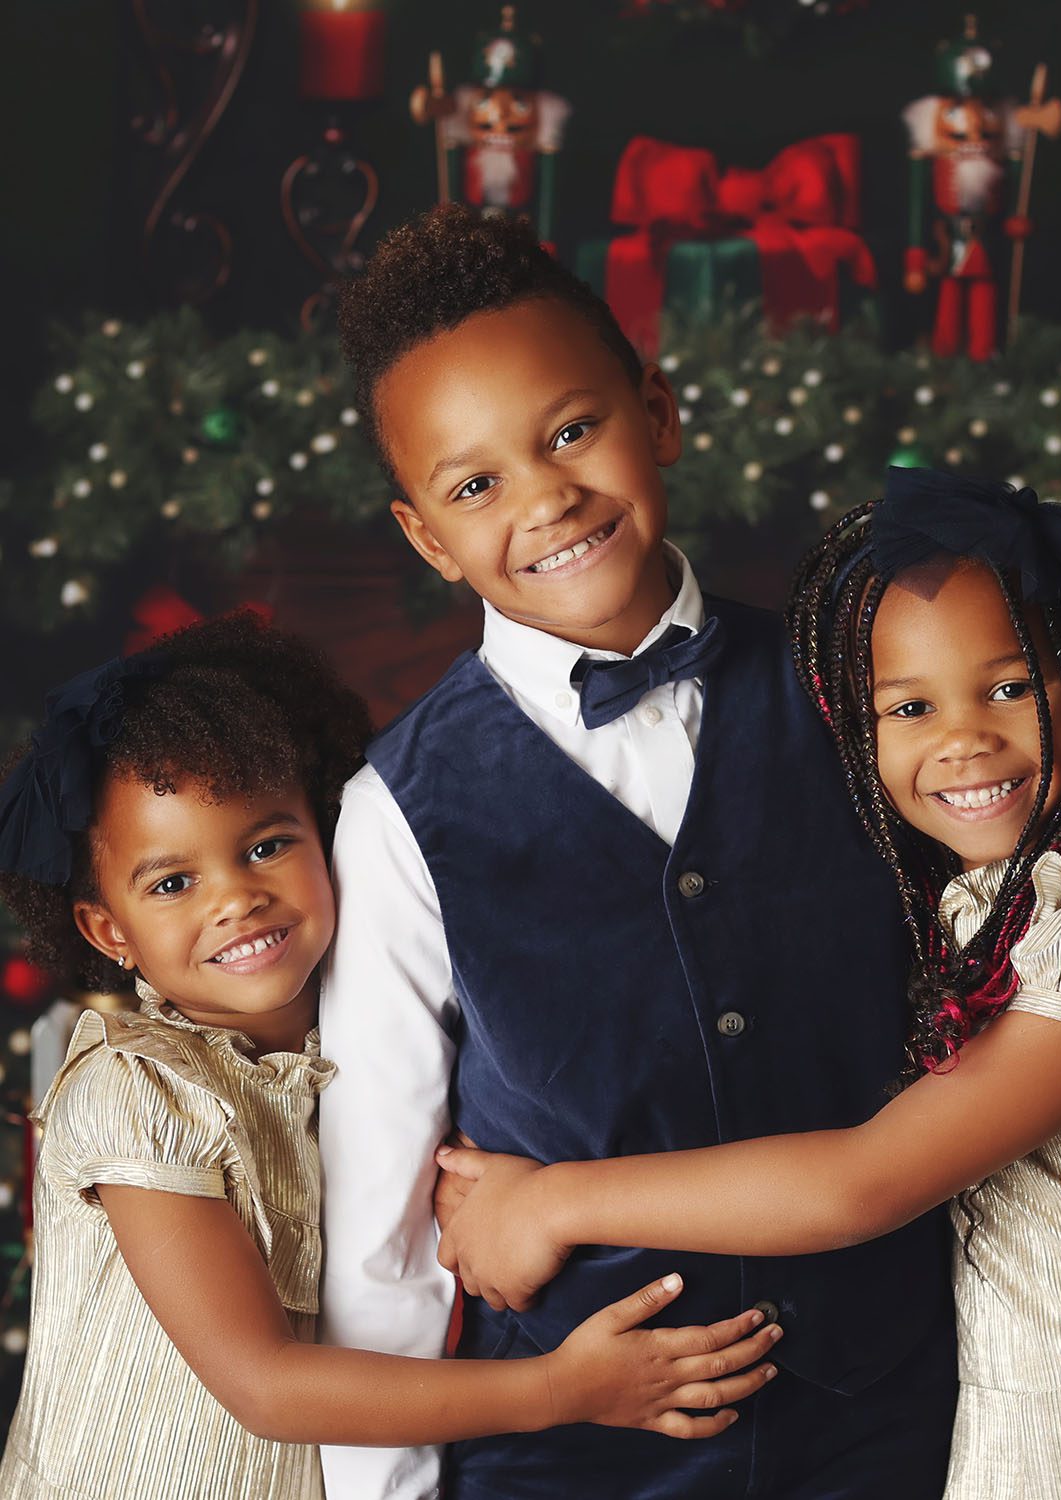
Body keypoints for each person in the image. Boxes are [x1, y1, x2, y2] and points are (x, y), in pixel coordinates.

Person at [321, 203, 957, 1500]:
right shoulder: (398, 811)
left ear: (657, 417)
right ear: (428, 538)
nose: (547, 496)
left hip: (893, 1427)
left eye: (571, 431)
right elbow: (381, 1238)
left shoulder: (862, 690)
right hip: (572, 1458)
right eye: (476, 483)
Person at [435, 468, 1061, 1500]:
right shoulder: (958, 906)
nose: (963, 738)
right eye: (910, 706)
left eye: (1012, 686)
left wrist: (554, 1202)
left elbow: (864, 1182)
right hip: (1010, 1420)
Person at [0, 613, 779, 1500]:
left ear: (325, 829)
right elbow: (264, 1384)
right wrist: (560, 1389)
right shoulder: (136, 1089)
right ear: (109, 931)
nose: (237, 899)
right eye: (174, 883)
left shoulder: (362, 1036)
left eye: (266, 845)